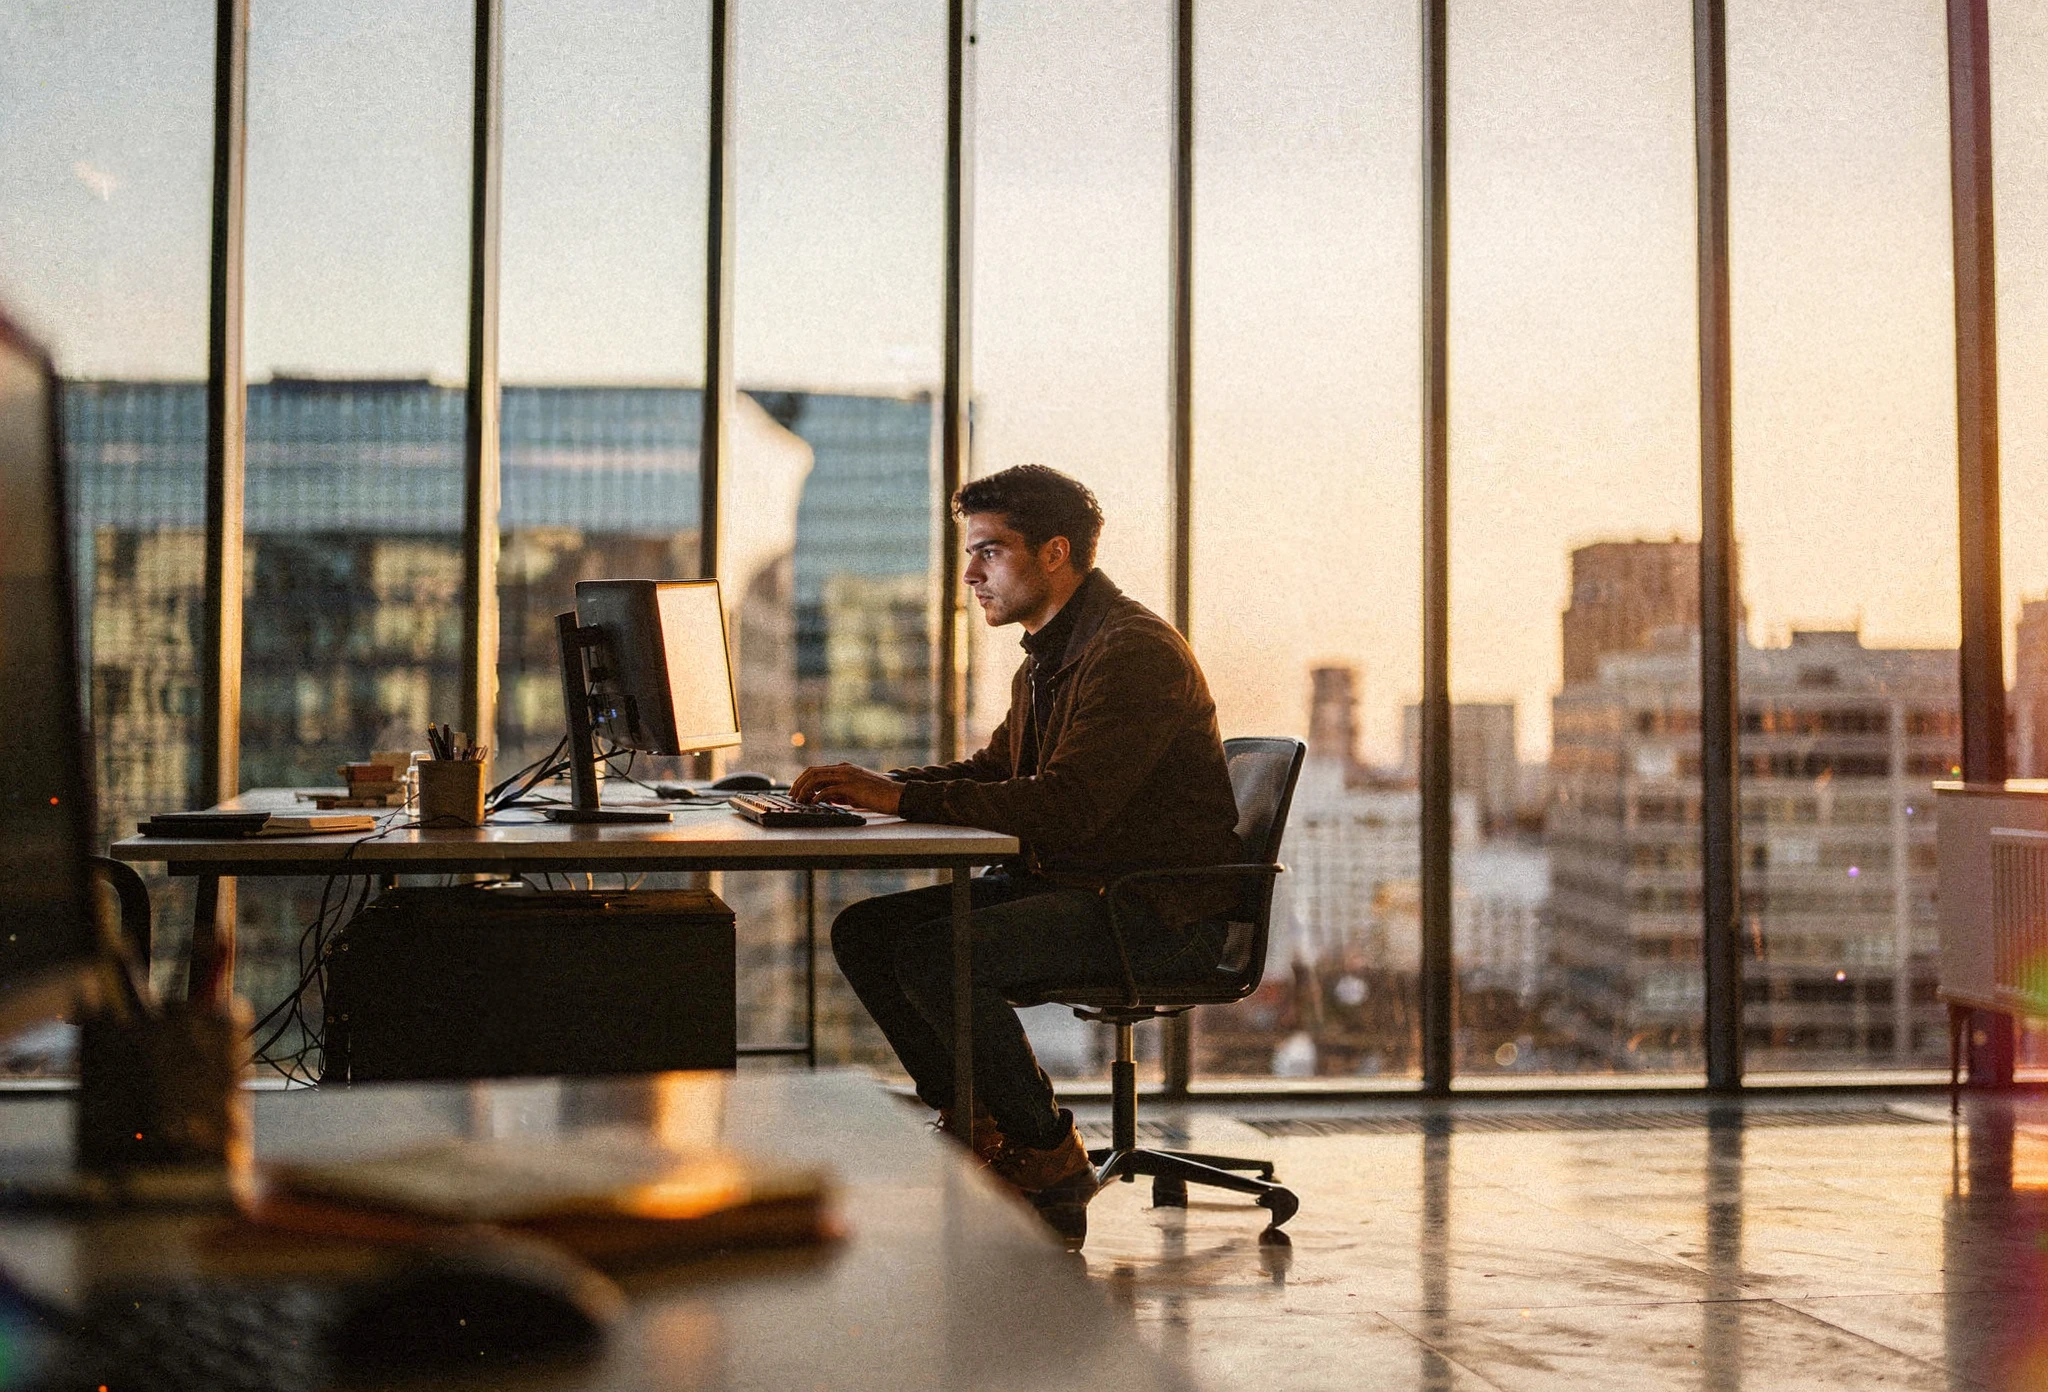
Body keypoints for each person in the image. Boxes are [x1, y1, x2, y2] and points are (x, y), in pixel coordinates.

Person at [791, 464, 1241, 1242]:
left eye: (990, 552)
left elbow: (1066, 806)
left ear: (1056, 551)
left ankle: (1045, 1149)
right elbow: (995, 773)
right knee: (864, 933)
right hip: (1076, 886)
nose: (971, 574)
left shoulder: (1130, 653)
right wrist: (874, 787)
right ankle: (981, 1125)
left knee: (940, 955)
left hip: (1147, 907)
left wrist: (896, 799)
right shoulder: (1052, 653)